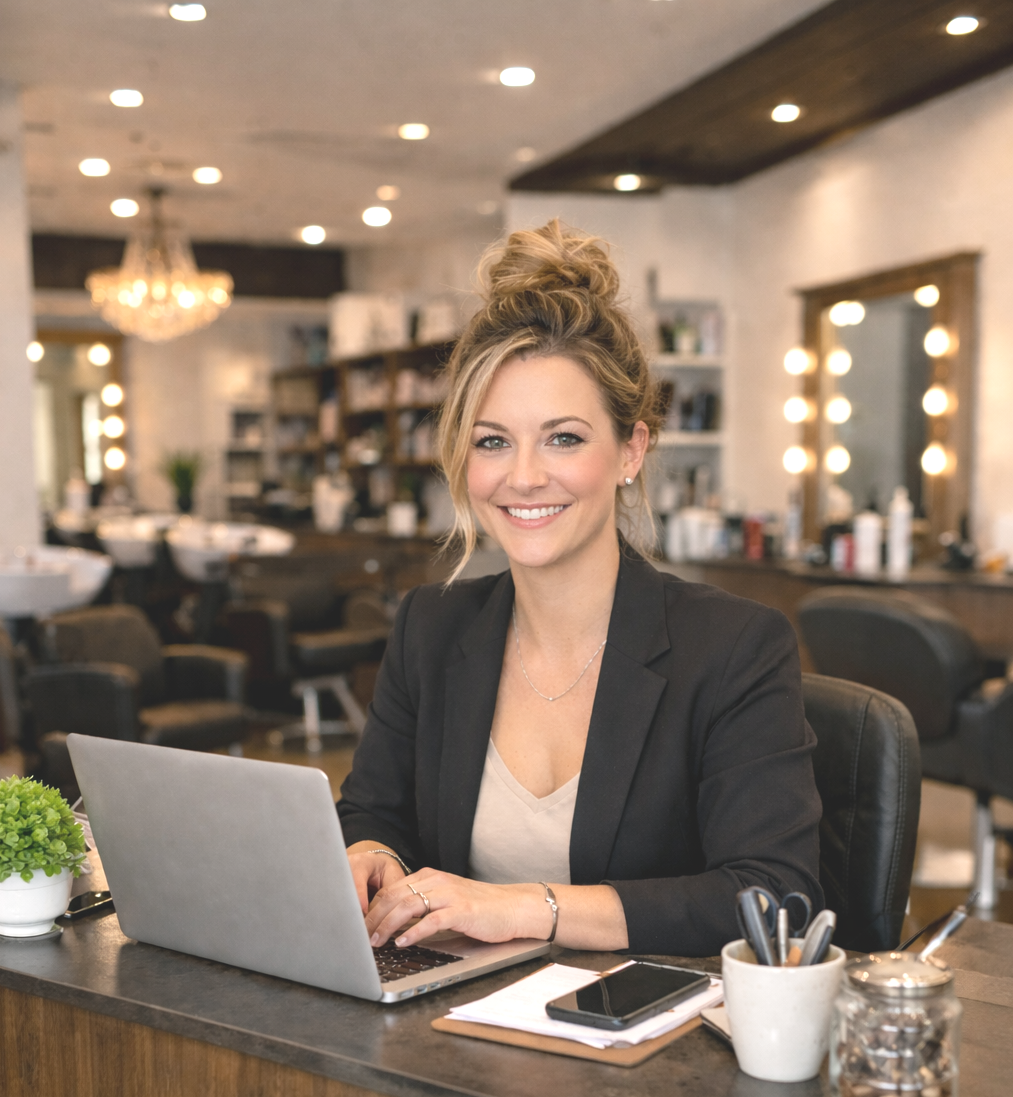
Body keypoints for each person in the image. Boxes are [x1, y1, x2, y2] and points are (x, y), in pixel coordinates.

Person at [338, 220, 822, 958]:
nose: (523, 475)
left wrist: (530, 909)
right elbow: (373, 810)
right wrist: (370, 851)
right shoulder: (429, 627)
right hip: (447, 1031)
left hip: (650, 1045)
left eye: (563, 437)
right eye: (491, 440)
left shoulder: (732, 648)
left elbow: (767, 895)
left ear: (631, 449)